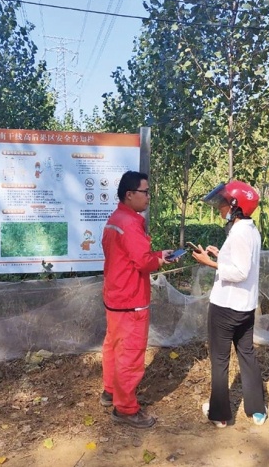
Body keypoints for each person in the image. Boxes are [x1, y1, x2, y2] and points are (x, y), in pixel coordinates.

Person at [100, 170, 175, 429]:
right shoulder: (131, 222)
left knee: (114, 347)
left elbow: (129, 256)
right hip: (131, 299)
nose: (148, 197)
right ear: (130, 194)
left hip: (115, 296)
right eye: (145, 192)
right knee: (130, 355)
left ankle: (110, 391)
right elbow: (143, 262)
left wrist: (158, 254)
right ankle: (125, 409)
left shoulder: (115, 219)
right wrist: (158, 260)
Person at [191, 180, 268, 428]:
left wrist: (209, 263)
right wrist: (219, 255)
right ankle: (257, 410)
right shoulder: (250, 229)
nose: (219, 208)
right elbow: (242, 262)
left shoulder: (239, 233)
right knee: (247, 354)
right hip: (245, 307)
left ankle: (220, 415)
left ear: (236, 207)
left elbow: (240, 272)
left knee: (220, 359)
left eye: (223, 203)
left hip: (225, 307)